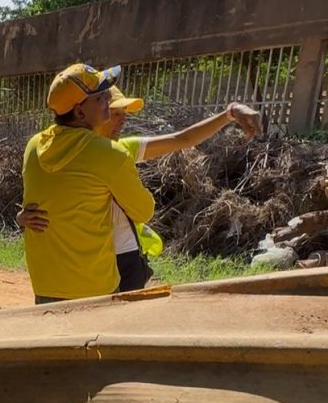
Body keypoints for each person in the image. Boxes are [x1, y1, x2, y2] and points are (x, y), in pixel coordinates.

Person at [18, 86, 262, 291]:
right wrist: (21, 216)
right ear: (91, 114)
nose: (123, 119)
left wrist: (228, 114)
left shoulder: (122, 149)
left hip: (124, 258)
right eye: (114, 113)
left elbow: (183, 139)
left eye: (124, 113)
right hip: (83, 265)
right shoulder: (68, 155)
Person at [21, 63, 156, 303]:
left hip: (45, 285)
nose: (108, 99)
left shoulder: (33, 147)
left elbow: (35, 209)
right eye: (100, 97)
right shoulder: (111, 155)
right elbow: (143, 211)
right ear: (80, 112)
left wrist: (20, 217)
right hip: (94, 289)